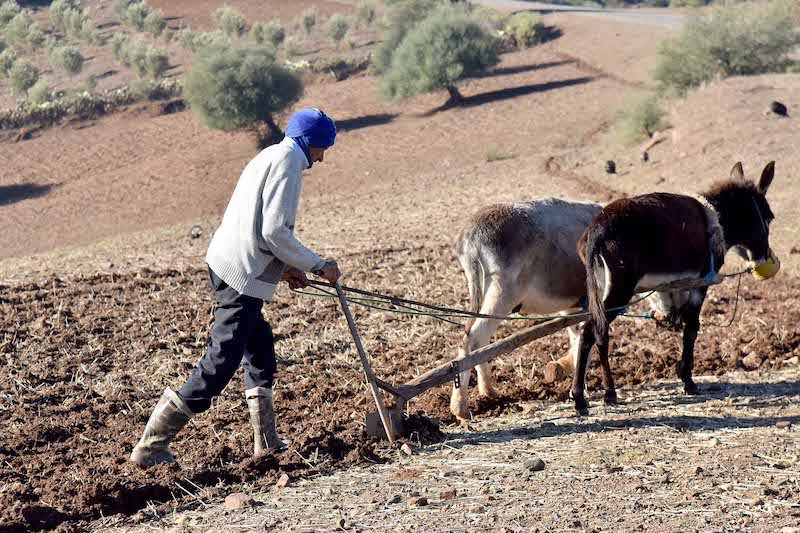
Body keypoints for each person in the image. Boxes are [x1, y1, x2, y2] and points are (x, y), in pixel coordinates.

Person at [130, 108, 341, 468]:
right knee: (222, 360)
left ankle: (267, 441)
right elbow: (274, 232)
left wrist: (288, 267)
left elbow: (257, 225)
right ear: (312, 142)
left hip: (227, 262)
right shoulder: (289, 164)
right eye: (323, 148)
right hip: (240, 273)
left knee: (259, 348)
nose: (321, 158)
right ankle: (152, 444)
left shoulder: (270, 155)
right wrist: (318, 265)